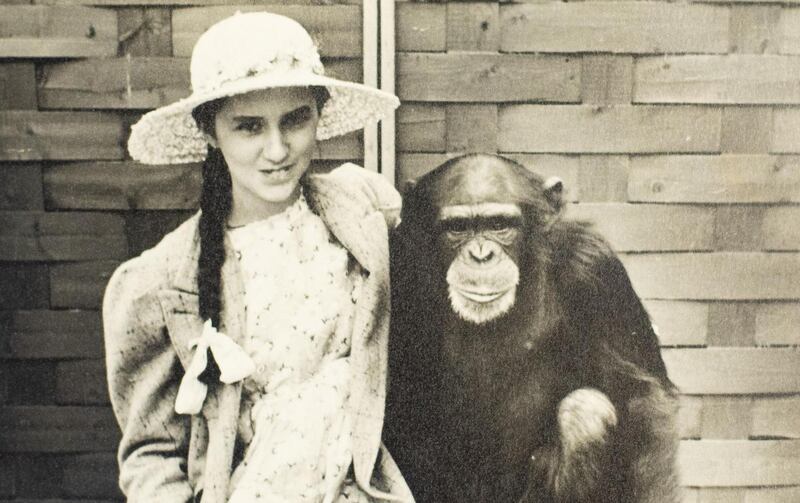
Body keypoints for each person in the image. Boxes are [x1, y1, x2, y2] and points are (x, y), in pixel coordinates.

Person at [103, 11, 412, 503]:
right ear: (210, 132)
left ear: (319, 113)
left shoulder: (365, 211)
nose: (277, 149)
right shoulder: (164, 279)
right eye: (249, 127)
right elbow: (151, 454)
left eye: (295, 119)